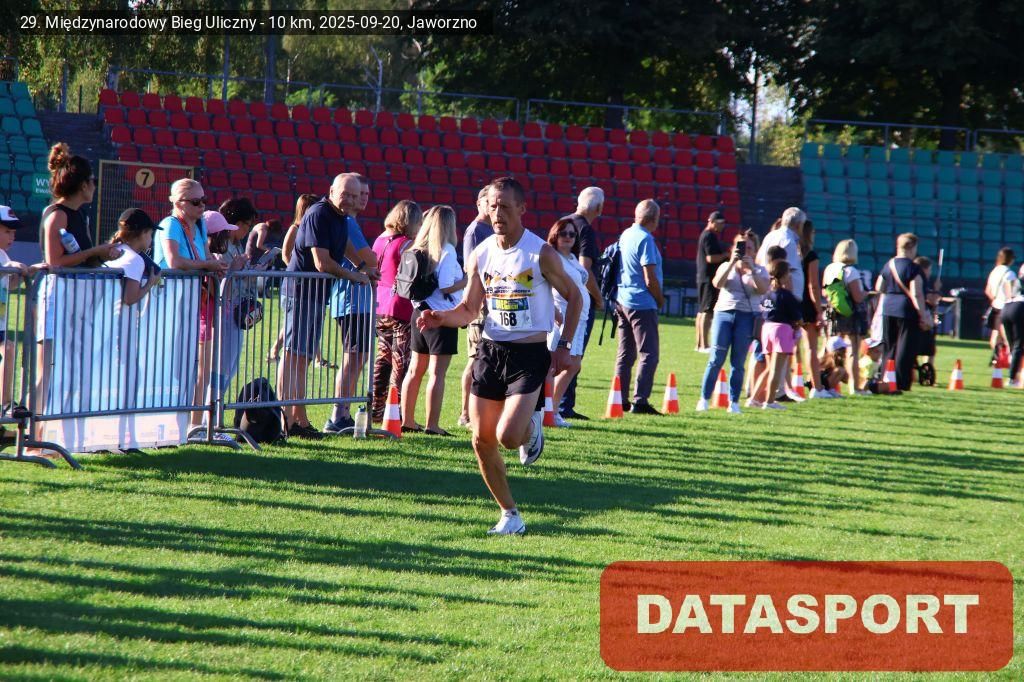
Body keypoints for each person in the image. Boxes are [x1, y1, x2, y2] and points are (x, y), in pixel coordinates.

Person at [416, 177, 582, 535]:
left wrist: (564, 345)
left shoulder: (540, 253)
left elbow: (576, 297)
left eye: (505, 206)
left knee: (508, 436)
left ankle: (531, 426)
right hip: (491, 351)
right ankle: (510, 514)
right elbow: (469, 309)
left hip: (529, 353)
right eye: (492, 206)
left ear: (522, 209)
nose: (497, 213)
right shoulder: (482, 252)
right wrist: (440, 317)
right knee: (481, 439)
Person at [34, 143, 121, 439]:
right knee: (47, 369)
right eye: (92, 181)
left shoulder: (79, 215)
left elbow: (82, 257)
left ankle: (62, 434)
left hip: (77, 298)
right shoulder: (57, 214)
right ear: (83, 184)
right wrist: (95, 251)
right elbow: (55, 262)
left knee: (73, 366)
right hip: (58, 297)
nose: (95, 186)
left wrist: (103, 253)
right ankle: (33, 436)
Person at [277, 175, 368, 439]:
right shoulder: (319, 213)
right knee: (294, 357)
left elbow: (345, 245)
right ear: (331, 191)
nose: (350, 200)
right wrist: (354, 276)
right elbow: (322, 262)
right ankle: (286, 421)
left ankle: (298, 420)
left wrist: (363, 267)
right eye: (345, 194)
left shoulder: (339, 217)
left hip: (315, 295)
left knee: (302, 358)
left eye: (355, 196)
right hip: (301, 293)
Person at [401, 205, 466, 436]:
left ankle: (408, 420)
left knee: (414, 370)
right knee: (437, 373)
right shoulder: (446, 250)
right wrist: (466, 280)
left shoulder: (418, 247)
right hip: (441, 317)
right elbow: (447, 285)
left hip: (419, 312)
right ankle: (432, 424)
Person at [325, 174, 381, 432]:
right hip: (352, 300)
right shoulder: (348, 222)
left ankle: (342, 412)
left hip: (354, 300)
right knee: (354, 357)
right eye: (359, 194)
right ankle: (338, 414)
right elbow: (370, 259)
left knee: (357, 357)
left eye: (365, 194)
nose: (362, 199)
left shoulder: (349, 222)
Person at [696, 229, 769, 414]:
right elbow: (717, 283)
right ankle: (704, 399)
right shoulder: (725, 266)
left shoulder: (760, 270)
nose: (745, 251)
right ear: (733, 248)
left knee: (738, 362)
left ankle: (733, 402)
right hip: (724, 314)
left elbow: (763, 290)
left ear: (755, 251)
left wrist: (751, 270)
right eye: (741, 247)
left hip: (747, 316)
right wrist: (731, 264)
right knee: (716, 358)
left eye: (749, 248)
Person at [370, 200, 422, 422]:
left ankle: (376, 409)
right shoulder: (406, 244)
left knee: (382, 360)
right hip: (400, 306)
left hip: (380, 305)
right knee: (401, 361)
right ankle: (394, 410)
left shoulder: (379, 240)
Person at [557, 186, 605, 420]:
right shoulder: (584, 229)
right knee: (572, 357)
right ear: (599, 208)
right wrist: (598, 297)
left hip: (561, 301)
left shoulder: (564, 222)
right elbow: (585, 269)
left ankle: (557, 405)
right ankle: (562, 406)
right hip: (575, 305)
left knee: (562, 356)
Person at [614, 199, 664, 415]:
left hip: (622, 299)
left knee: (625, 354)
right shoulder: (646, 239)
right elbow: (649, 277)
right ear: (654, 219)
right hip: (642, 303)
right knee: (649, 353)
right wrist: (659, 299)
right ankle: (640, 400)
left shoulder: (626, 234)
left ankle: (619, 398)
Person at [544, 218, 591, 427]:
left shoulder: (572, 258)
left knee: (574, 364)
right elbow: (544, 288)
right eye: (564, 233)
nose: (568, 237)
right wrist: (554, 312)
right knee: (552, 366)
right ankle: (546, 410)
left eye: (572, 234)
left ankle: (553, 410)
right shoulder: (551, 257)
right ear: (555, 235)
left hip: (579, 319)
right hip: (562, 316)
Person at [875, 233, 932, 392]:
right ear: (912, 247)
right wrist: (923, 315)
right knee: (905, 349)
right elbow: (916, 293)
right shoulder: (914, 268)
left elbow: (879, 287)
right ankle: (900, 383)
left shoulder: (889, 264)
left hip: (888, 308)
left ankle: (886, 378)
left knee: (889, 347)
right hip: (906, 310)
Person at [0, 206, 44, 408]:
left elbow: (9, 284)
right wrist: (12, 267)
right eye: (7, 231)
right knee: (8, 349)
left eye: (14, 232)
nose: (12, 237)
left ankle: (5, 404)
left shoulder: (3, 255)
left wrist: (30, 270)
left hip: (1, 324)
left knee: (9, 349)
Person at [457, 187, 493, 427]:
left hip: (494, 304)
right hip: (480, 306)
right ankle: (465, 413)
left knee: (486, 359)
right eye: (489, 202)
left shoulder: (491, 229)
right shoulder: (475, 231)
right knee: (475, 359)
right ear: (479, 203)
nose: (493, 207)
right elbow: (471, 269)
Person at [269, 193, 318, 363]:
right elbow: (285, 254)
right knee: (295, 323)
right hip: (294, 284)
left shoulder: (312, 231)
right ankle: (276, 350)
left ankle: (276, 350)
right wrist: (297, 271)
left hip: (308, 287)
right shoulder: (295, 229)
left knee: (302, 323)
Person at [822, 239, 868, 396]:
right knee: (852, 350)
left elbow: (824, 292)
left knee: (830, 348)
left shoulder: (830, 269)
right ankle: (854, 387)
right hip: (850, 314)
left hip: (833, 312)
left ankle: (824, 382)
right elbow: (857, 296)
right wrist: (866, 294)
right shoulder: (851, 271)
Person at [760, 260, 804, 410]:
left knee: (769, 368)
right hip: (781, 330)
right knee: (776, 370)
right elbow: (798, 318)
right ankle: (769, 401)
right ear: (785, 275)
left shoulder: (766, 293)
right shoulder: (786, 295)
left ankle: (756, 398)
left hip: (766, 329)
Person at [798, 219, 830, 398]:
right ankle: (817, 387)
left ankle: (806, 382)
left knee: (796, 348)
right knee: (811, 347)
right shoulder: (811, 256)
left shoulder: (793, 253)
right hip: (807, 305)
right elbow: (813, 285)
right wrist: (819, 311)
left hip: (794, 301)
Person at [695, 211, 727, 352]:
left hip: (703, 277)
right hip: (708, 278)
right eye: (720, 223)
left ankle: (699, 344)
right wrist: (726, 255)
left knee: (701, 311)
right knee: (707, 311)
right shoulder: (709, 236)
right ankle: (704, 345)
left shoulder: (705, 235)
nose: (722, 226)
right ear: (712, 222)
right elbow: (711, 258)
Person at [985, 248, 1016, 359]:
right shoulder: (1010, 273)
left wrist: (994, 300)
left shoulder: (994, 271)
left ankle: (996, 358)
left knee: (995, 336)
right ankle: (1010, 359)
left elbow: (988, 290)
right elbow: (1011, 293)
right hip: (1006, 307)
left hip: (996, 306)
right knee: (1008, 337)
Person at [999, 263, 1024, 386]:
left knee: (1013, 347)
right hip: (1020, 308)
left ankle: (1014, 376)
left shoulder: (1015, 281)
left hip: (1007, 308)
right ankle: (1012, 378)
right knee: (1018, 346)